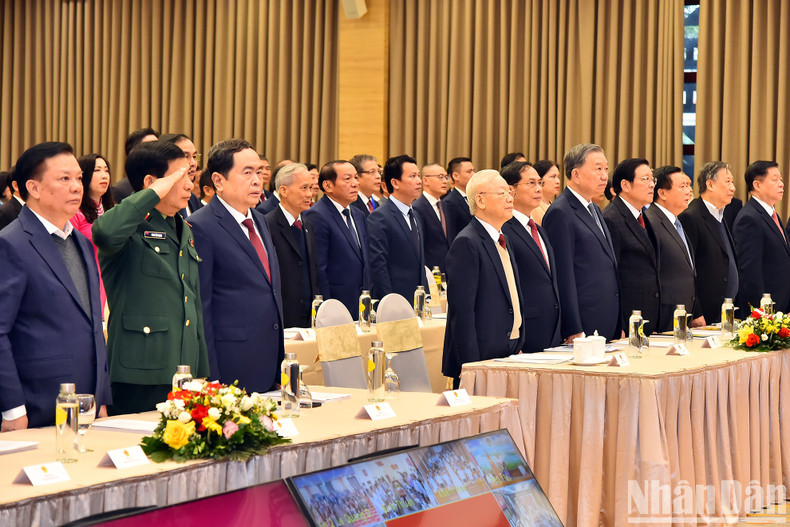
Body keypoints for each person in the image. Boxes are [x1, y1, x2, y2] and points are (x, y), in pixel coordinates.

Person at [92, 140, 209, 415]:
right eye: (180, 177)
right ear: (151, 182)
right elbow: (105, 233)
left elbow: (192, 303)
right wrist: (153, 193)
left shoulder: (182, 227)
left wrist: (201, 371)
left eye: (189, 176)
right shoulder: (129, 225)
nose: (190, 185)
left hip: (183, 371)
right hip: (140, 372)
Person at [0, 142, 111, 430]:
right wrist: (11, 409)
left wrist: (101, 398)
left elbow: (93, 325)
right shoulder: (10, 244)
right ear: (34, 188)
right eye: (65, 179)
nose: (76, 187)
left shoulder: (83, 242)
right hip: (36, 404)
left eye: (78, 178)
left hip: (86, 404)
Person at [189, 139, 284, 392]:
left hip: (268, 357)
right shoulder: (201, 226)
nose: (257, 180)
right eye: (247, 173)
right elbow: (202, 307)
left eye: (260, 172)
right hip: (231, 364)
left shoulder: (261, 220)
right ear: (218, 181)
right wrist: (211, 377)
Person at [442, 170, 524, 387]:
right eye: (502, 193)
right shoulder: (467, 242)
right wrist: (470, 366)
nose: (509, 198)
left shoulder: (504, 238)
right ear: (480, 200)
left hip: (508, 350)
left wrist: (517, 341)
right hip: (481, 358)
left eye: (510, 193)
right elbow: (462, 312)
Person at [542, 144, 621, 341]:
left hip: (606, 318)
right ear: (575, 174)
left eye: (606, 168)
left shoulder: (594, 208)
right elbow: (562, 273)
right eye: (598, 169)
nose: (605, 176)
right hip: (584, 323)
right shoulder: (561, 212)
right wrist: (572, 326)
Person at [500, 161, 561, 352]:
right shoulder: (504, 230)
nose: (538, 189)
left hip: (553, 327)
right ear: (511, 190)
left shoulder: (540, 230)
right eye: (531, 183)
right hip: (526, 329)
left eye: (540, 184)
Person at [303, 160, 371, 317]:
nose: (355, 184)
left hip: (361, 303)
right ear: (328, 186)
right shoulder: (317, 216)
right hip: (335, 305)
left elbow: (365, 261)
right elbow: (319, 269)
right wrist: (327, 308)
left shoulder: (358, 215)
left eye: (356, 177)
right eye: (347, 179)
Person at [603, 158, 661, 335]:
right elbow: (612, 277)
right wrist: (618, 323)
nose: (652, 185)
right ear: (625, 185)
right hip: (628, 320)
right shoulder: (612, 218)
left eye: (653, 180)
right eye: (645, 179)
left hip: (648, 318)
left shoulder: (644, 215)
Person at [645, 166, 704, 331]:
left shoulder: (676, 221)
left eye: (689, 186)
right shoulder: (651, 222)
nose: (689, 191)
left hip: (682, 314)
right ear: (662, 193)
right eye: (683, 186)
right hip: (663, 316)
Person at [679, 161, 739, 324]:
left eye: (732, 182)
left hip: (725, 313)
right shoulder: (691, 217)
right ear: (710, 184)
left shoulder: (721, 216)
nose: (733, 187)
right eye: (727, 182)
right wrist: (696, 311)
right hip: (704, 314)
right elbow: (688, 271)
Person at [367, 155, 429, 301]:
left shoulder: (416, 215)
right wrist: (389, 301)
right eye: (412, 176)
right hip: (394, 301)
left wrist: (425, 294)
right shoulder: (380, 217)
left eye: (418, 175)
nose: (419, 181)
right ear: (395, 182)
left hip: (416, 299)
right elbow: (378, 266)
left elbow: (420, 261)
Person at [265, 163, 318, 328]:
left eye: (310, 188)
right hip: (281, 316)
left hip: (309, 316)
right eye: (304, 188)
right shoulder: (267, 224)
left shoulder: (308, 224)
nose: (310, 194)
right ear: (284, 190)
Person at [734, 161, 790, 312]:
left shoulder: (773, 214)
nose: (781, 184)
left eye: (781, 179)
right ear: (757, 185)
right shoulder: (749, 218)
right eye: (775, 179)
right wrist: (761, 313)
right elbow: (750, 272)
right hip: (766, 312)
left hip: (782, 307)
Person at [71, 154, 115, 313]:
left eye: (107, 170)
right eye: (97, 170)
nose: (104, 175)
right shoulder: (75, 213)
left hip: (113, 281)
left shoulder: (113, 210)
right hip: (88, 283)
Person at [412, 163, 451, 272]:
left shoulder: (445, 206)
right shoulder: (417, 208)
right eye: (440, 177)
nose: (445, 181)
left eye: (446, 177)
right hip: (430, 270)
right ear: (425, 180)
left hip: (448, 269)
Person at [111, 127, 159, 203]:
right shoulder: (120, 190)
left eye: (158, 146)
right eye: (150, 146)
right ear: (133, 153)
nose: (157, 151)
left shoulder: (164, 182)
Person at [160, 133, 203, 217]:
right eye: (185, 156)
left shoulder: (192, 198)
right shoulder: (160, 199)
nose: (193, 163)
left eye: (194, 156)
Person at [442, 157, 475, 242]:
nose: (473, 174)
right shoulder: (449, 202)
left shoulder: (475, 197)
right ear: (455, 176)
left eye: (473, 170)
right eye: (469, 171)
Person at [531, 160, 561, 225]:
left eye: (558, 177)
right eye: (553, 176)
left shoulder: (553, 205)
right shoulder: (535, 209)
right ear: (540, 181)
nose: (558, 181)